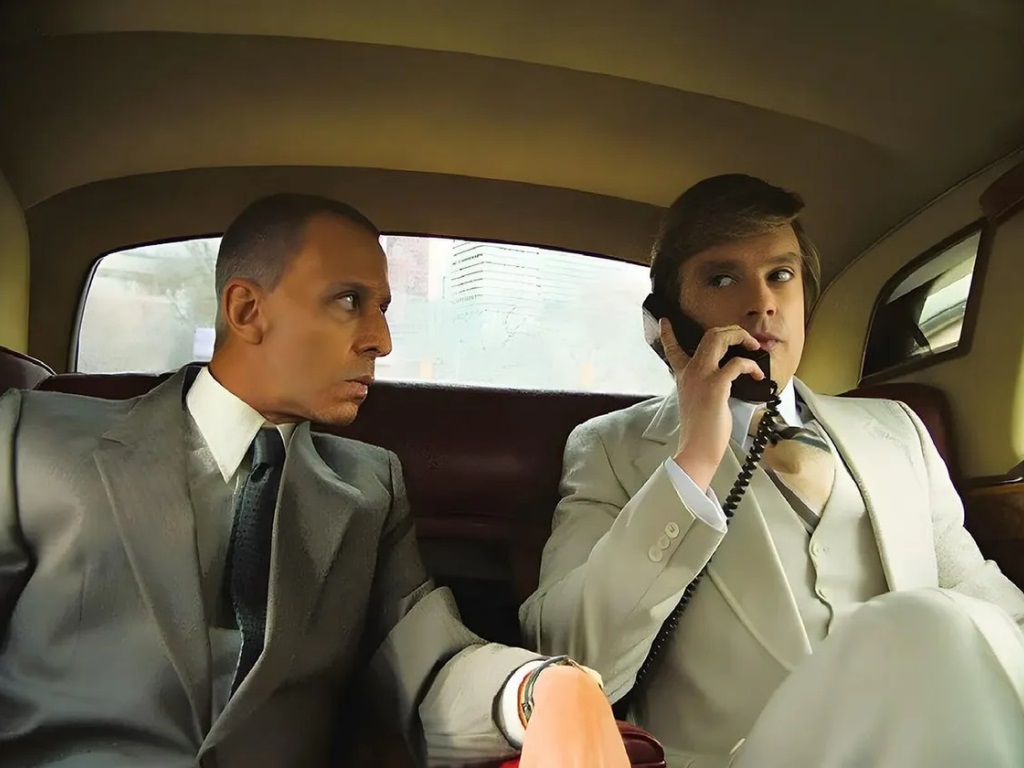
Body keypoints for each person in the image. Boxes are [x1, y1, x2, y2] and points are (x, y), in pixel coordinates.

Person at [0, 194, 630, 768]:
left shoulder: (369, 486)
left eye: (382, 308)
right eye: (349, 300)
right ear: (247, 310)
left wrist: (536, 691)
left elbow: (427, 668)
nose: (381, 340)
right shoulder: (31, 437)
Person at [519, 174, 1024, 767]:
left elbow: (992, 614)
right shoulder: (610, 447)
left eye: (780, 275)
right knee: (931, 621)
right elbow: (568, 656)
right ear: (667, 321)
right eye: (722, 278)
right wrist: (693, 461)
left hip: (925, 745)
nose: (762, 303)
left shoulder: (898, 430)